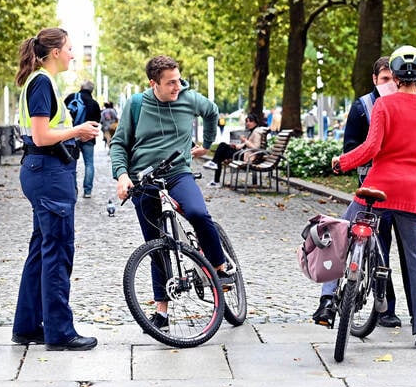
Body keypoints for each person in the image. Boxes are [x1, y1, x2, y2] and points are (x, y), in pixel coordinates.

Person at [322, 45, 416, 350]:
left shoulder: (384, 107)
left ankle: (327, 301)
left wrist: (342, 161)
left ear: (396, 77)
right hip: (414, 191)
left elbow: (372, 148)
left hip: (378, 188)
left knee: (342, 235)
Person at [109, 55, 232, 329]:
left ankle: (220, 269)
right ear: (154, 83)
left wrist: (206, 144)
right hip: (145, 179)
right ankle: (162, 312)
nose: (178, 87)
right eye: (170, 83)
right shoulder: (137, 104)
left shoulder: (188, 98)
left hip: (178, 173)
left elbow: (211, 111)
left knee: (199, 213)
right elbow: (119, 144)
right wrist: (121, 175)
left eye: (179, 80)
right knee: (156, 244)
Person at [11, 27, 101, 351]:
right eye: (69, 48)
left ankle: (26, 327)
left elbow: (45, 132)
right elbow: (40, 136)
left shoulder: (40, 82)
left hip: (43, 172)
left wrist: (74, 134)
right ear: (55, 52)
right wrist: (76, 129)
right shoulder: (42, 82)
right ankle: (60, 332)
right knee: (58, 251)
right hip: (48, 174)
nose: (73, 54)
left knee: (41, 249)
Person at [202, 112, 266, 187]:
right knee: (222, 150)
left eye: (250, 121)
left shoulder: (257, 132)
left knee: (222, 147)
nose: (248, 123)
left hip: (247, 157)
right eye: (247, 121)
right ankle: (215, 171)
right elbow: (246, 145)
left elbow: (256, 148)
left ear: (255, 122)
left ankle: (215, 171)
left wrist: (245, 140)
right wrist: (236, 146)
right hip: (244, 154)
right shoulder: (253, 131)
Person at [64, 81, 102, 197]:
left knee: (71, 164)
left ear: (81, 88)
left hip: (71, 136)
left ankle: (73, 190)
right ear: (92, 91)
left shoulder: (71, 97)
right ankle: (87, 191)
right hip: (88, 138)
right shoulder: (94, 104)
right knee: (89, 164)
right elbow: (97, 122)